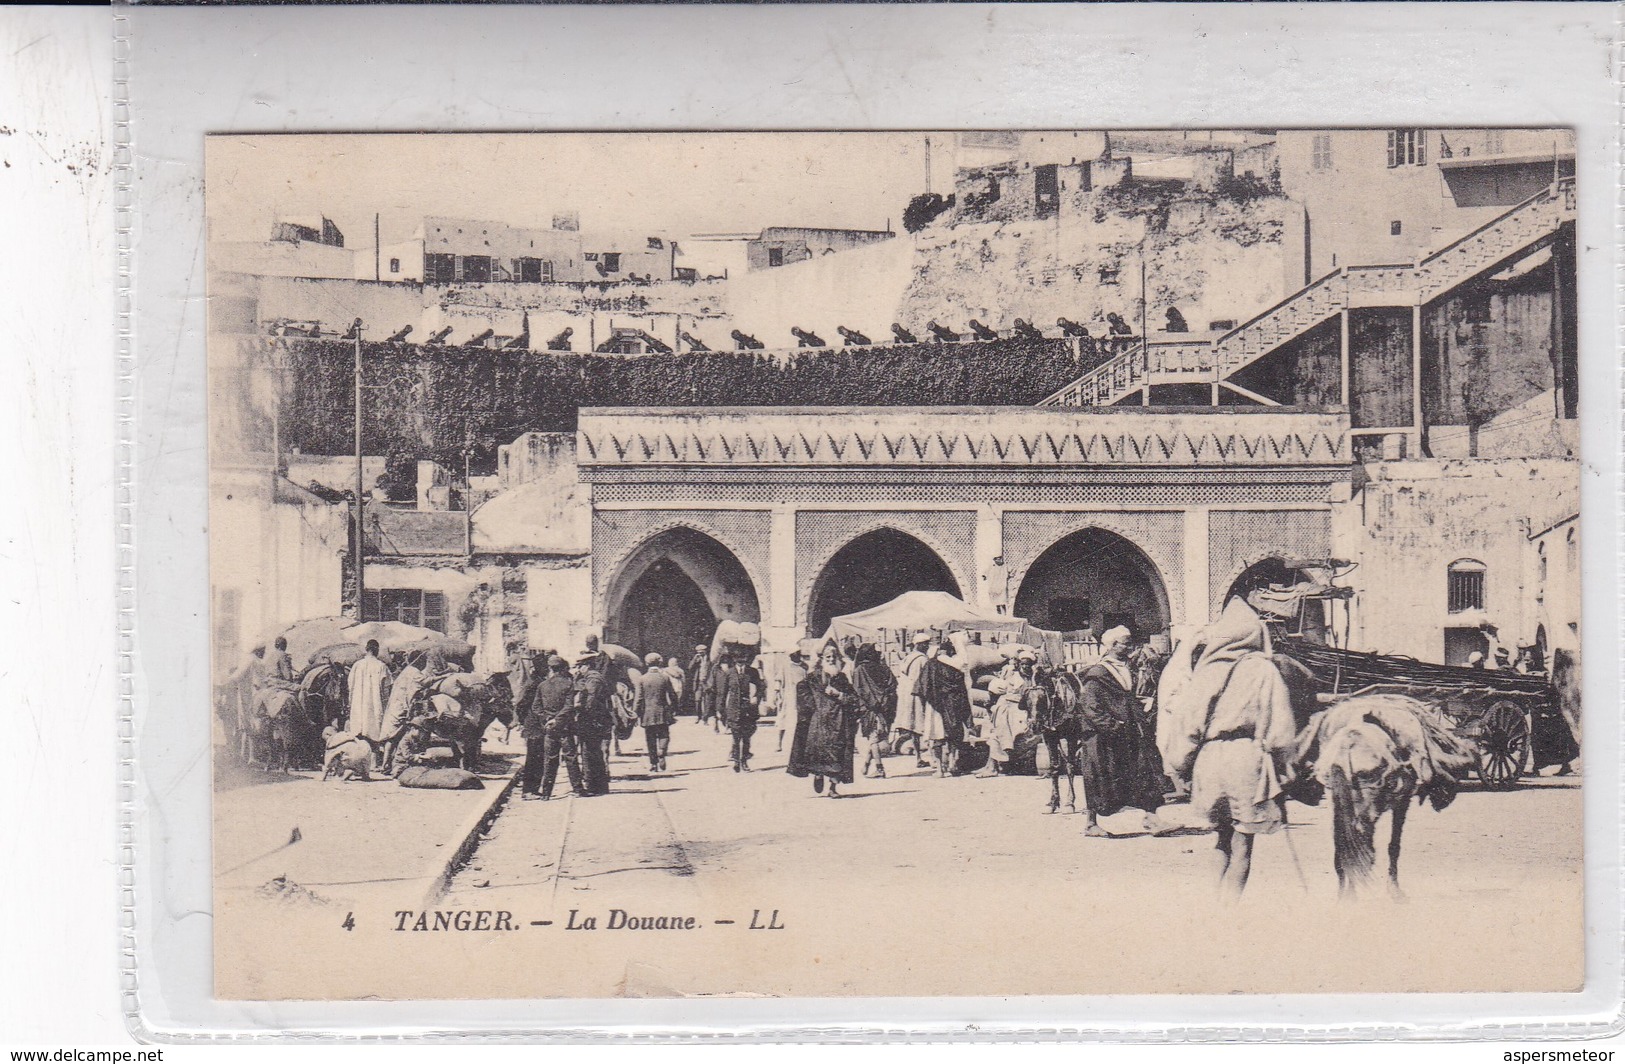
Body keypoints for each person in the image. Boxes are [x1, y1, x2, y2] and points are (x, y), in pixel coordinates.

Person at [1157, 598, 1299, 900]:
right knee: (1242, 846)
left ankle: (1210, 902)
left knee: (1220, 839)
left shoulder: (1206, 671)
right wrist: (1286, 768)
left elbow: (1185, 726)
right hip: (1245, 758)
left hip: (1209, 760)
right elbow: (1281, 731)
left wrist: (1180, 767)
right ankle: (1228, 911)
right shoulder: (1263, 670)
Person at [1077, 627, 1174, 838]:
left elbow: (1124, 698)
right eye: (1125, 643)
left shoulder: (1125, 668)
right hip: (1107, 736)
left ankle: (1152, 818)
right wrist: (1113, 727)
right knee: (1100, 777)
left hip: (1132, 732)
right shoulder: (1098, 674)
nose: (1130, 647)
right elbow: (1090, 706)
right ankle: (1091, 823)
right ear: (1112, 646)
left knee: (1145, 770)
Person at [788, 640, 860, 797]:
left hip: (839, 722)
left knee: (838, 754)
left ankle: (833, 788)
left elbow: (854, 699)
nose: (831, 659)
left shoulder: (841, 678)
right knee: (818, 752)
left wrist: (839, 694)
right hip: (819, 722)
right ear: (821, 659)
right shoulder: (812, 678)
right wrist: (812, 707)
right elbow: (801, 691)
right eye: (828, 656)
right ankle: (818, 775)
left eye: (834, 656)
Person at [522, 655, 582, 800]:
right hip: (564, 727)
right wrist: (557, 719)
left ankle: (546, 793)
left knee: (550, 759)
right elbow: (569, 706)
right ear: (562, 668)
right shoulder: (568, 684)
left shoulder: (543, 685)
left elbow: (536, 707)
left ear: (550, 668)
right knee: (570, 758)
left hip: (549, 728)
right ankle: (578, 789)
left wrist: (548, 719)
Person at [915, 638, 973, 777]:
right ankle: (953, 764)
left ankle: (940, 769)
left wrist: (926, 702)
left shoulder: (931, 664)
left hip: (936, 707)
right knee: (953, 735)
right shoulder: (957, 666)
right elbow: (963, 689)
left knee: (937, 736)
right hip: (953, 706)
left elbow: (922, 687)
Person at [981, 647, 1038, 777]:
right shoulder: (1011, 673)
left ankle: (1001, 765)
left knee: (1021, 735)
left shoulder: (1033, 678)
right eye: (1022, 664)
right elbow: (997, 688)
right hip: (1005, 708)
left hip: (1020, 710)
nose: (1025, 667)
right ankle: (991, 767)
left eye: (1027, 665)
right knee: (997, 734)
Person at [893, 631, 939, 770]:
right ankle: (934, 758)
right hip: (919, 696)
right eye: (925, 644)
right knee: (927, 725)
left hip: (907, 696)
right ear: (919, 645)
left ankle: (919, 757)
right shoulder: (922, 659)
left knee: (914, 728)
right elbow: (925, 680)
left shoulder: (908, 658)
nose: (927, 647)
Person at [851, 643, 897, 779]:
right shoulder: (884, 668)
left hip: (869, 709)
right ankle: (866, 763)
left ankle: (879, 768)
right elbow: (893, 685)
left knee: (873, 738)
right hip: (885, 708)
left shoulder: (860, 670)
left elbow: (858, 690)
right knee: (875, 738)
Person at [571, 651, 614, 796]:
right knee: (594, 753)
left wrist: (580, 712)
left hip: (593, 720)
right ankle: (599, 786)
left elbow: (591, 700)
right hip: (596, 720)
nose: (578, 669)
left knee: (589, 753)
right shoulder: (591, 678)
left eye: (580, 666)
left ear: (587, 666)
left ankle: (592, 786)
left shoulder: (593, 679)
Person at [635, 652, 676, 773]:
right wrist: (674, 708)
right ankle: (662, 752)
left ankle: (653, 764)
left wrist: (635, 712)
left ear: (647, 664)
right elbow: (672, 694)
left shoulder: (642, 679)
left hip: (647, 714)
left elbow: (639, 698)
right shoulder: (665, 677)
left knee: (650, 739)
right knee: (664, 735)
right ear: (659, 663)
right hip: (662, 711)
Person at [721, 653, 761, 772]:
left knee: (747, 736)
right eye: (738, 658)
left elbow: (761, 688)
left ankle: (744, 760)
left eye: (743, 658)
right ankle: (737, 761)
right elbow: (723, 693)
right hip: (734, 709)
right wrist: (721, 710)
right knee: (736, 736)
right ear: (734, 660)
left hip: (749, 709)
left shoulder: (753, 672)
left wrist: (756, 698)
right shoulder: (729, 673)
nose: (741, 660)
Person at [347, 639, 392, 741]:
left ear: (366, 649)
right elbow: (386, 690)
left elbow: (350, 685)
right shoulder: (381, 666)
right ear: (377, 651)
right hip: (374, 705)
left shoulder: (357, 665)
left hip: (357, 704)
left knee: (357, 733)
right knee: (374, 732)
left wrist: (351, 701)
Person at [777, 650, 808, 753]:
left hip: (801, 697)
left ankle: (799, 745)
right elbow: (778, 680)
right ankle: (779, 743)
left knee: (799, 721)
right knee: (783, 720)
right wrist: (778, 696)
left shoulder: (804, 667)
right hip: (788, 696)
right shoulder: (785, 666)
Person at [686, 643, 710, 720]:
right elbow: (690, 668)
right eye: (698, 652)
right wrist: (694, 660)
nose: (700, 654)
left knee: (707, 700)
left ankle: (705, 717)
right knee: (697, 699)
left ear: (705, 651)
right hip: (698, 682)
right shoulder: (697, 660)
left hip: (707, 682)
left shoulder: (709, 659)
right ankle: (699, 716)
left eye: (701, 652)